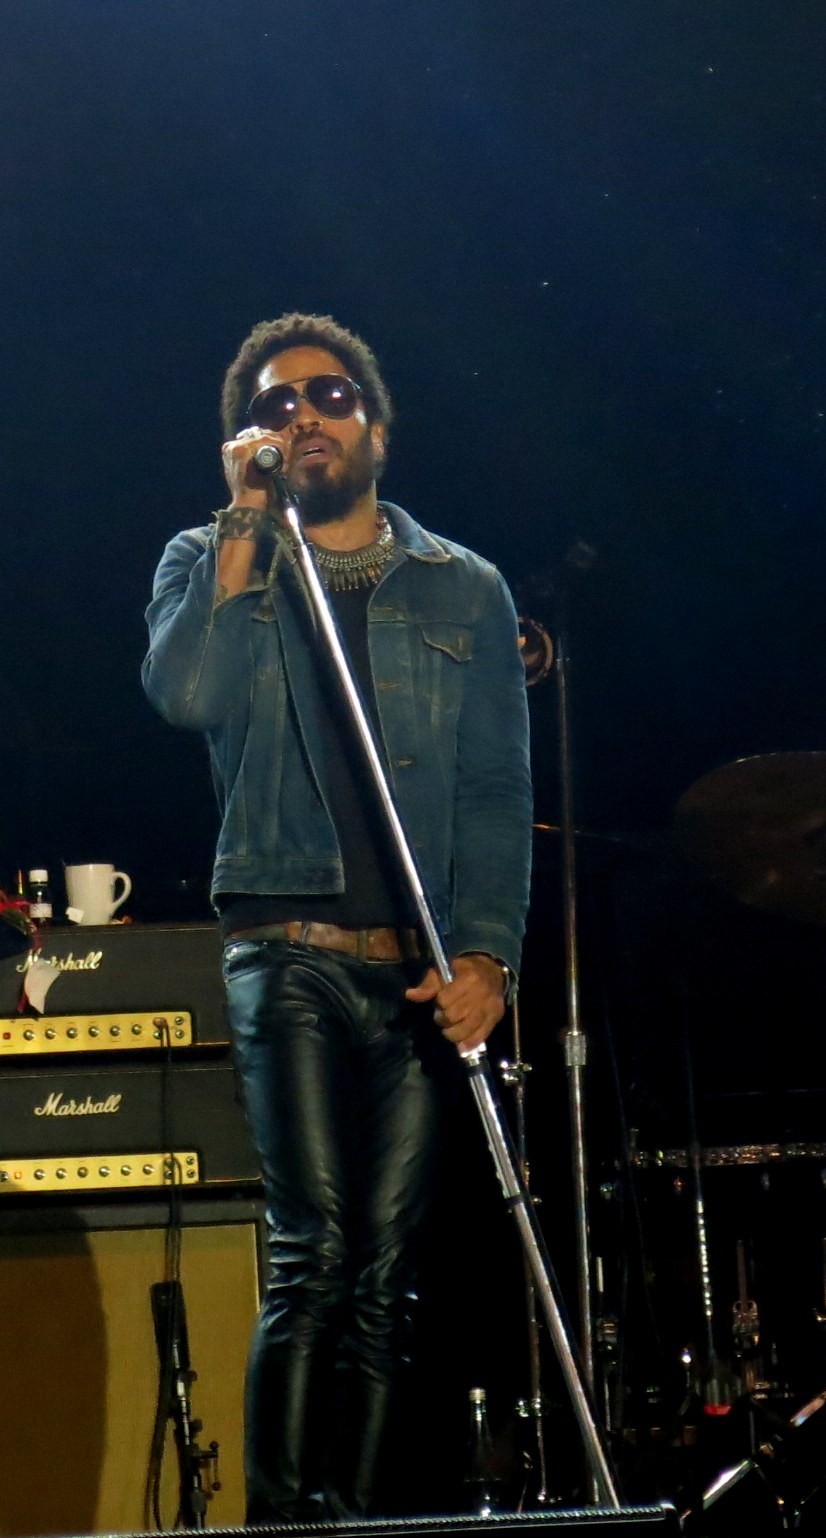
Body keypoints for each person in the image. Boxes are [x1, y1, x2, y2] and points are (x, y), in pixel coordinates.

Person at [142, 313, 532, 1522]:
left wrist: (488, 955)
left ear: (376, 424)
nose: (302, 415)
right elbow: (189, 693)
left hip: (415, 964)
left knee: (385, 1277)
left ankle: (358, 1520)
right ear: (247, 438)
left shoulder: (463, 586)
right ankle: (278, 1520)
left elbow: (494, 787)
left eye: (328, 395)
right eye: (274, 405)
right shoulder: (208, 558)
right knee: (311, 1255)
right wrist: (242, 530)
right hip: (286, 949)